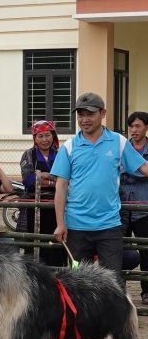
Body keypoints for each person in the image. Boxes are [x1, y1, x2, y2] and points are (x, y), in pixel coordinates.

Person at [52, 93, 148, 275]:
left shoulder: (118, 142)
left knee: (112, 280)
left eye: (90, 114)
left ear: (103, 113)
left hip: (109, 226)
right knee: (78, 281)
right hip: (76, 226)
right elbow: (61, 186)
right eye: (80, 114)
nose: (84, 119)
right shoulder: (69, 146)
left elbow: (143, 166)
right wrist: (60, 223)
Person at [19, 120, 65, 267]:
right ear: (35, 138)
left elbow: (65, 178)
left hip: (56, 206)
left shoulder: (60, 154)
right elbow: (29, 180)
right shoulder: (28, 155)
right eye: (40, 136)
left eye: (47, 135)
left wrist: (43, 176)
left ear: (53, 136)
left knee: (56, 245)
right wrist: (53, 180)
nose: (44, 139)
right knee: (34, 244)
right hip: (34, 206)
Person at [123, 111, 148, 304]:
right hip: (121, 207)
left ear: (146, 127)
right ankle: (118, 291)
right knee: (119, 250)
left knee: (146, 251)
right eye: (131, 126)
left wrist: (130, 169)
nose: (133, 130)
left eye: (137, 126)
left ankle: (146, 292)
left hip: (144, 207)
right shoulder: (122, 148)